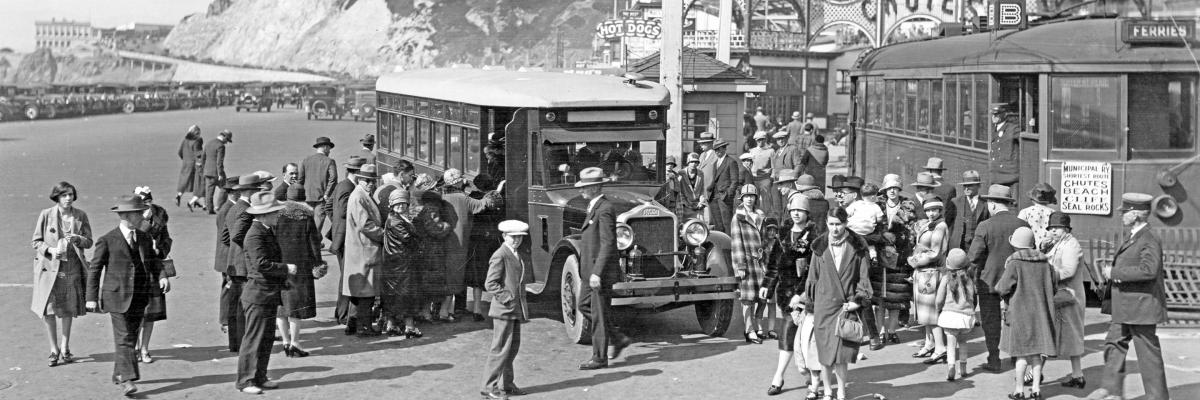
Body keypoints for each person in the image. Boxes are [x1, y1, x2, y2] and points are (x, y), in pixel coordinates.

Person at [1089, 193, 1169, 400]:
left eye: (1125, 212)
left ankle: (1158, 397)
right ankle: (1111, 390)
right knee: (1113, 344)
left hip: (1141, 307)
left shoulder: (1149, 237)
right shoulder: (1135, 235)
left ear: (1136, 214)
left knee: (1148, 355)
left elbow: (1148, 270)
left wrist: (1113, 273)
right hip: (1125, 305)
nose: (1122, 215)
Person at [86, 195, 167, 397]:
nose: (143, 216)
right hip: (116, 297)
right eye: (139, 213)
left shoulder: (144, 237)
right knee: (124, 338)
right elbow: (95, 270)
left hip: (139, 296)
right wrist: (91, 297)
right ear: (127, 216)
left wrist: (163, 276)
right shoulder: (107, 240)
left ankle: (118, 373)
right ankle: (128, 379)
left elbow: (153, 261)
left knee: (131, 335)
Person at [802, 207, 872, 400]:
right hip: (823, 307)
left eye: (838, 224)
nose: (834, 229)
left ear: (846, 223)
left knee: (842, 355)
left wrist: (858, 301)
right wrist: (809, 306)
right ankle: (827, 392)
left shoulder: (858, 247)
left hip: (846, 306)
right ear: (826, 224)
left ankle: (840, 392)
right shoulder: (819, 246)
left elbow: (864, 279)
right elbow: (812, 278)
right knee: (824, 355)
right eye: (831, 224)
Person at [237, 192, 295, 395]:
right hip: (258, 294)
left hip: (267, 293)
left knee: (266, 338)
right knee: (254, 339)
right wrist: (285, 268)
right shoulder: (255, 234)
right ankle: (245, 380)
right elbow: (262, 265)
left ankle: (260, 376)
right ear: (263, 215)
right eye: (274, 212)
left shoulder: (266, 230)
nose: (278, 215)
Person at [967, 184, 1029, 372]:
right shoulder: (1022, 224)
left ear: (992, 204)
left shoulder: (985, 226)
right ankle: (1017, 356)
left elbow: (974, 256)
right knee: (1016, 318)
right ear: (1008, 204)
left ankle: (994, 359)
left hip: (989, 280)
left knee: (991, 320)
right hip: (1017, 279)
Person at [577, 167, 633, 370]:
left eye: (585, 187)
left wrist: (596, 273)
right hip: (589, 270)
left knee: (598, 312)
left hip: (597, 273)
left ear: (594, 187)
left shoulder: (605, 208)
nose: (581, 190)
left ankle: (599, 357)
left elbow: (608, 243)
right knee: (583, 305)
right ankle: (617, 337)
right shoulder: (595, 206)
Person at [31, 181, 92, 368]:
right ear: (57, 197)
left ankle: (65, 347)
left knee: (68, 308)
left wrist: (78, 239)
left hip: (71, 269)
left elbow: (89, 241)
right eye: (64, 195)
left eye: (71, 195)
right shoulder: (46, 215)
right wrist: (50, 250)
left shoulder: (80, 216)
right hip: (49, 270)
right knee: (48, 310)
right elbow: (36, 241)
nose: (68, 198)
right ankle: (53, 349)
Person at [763, 195, 817, 396]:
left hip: (808, 297)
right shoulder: (783, 234)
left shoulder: (814, 236)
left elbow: (813, 269)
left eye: (800, 211)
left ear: (807, 213)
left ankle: (811, 378)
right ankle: (778, 377)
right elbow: (774, 264)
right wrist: (767, 285)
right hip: (786, 296)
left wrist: (801, 294)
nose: (796, 214)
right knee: (786, 336)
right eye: (793, 210)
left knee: (807, 341)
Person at [995, 226, 1057, 400]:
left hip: (1019, 313)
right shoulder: (1046, 263)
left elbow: (1002, 287)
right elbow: (1054, 286)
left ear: (1015, 245)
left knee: (1021, 354)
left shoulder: (1014, 263)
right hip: (1041, 314)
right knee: (1037, 353)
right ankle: (1036, 390)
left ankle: (1019, 390)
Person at [480, 220, 534, 400]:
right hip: (504, 310)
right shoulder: (500, 254)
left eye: (519, 237)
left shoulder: (514, 252)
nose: (517, 240)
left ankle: (507, 385)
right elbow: (490, 283)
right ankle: (489, 388)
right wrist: (507, 298)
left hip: (513, 310)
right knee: (500, 349)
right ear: (504, 236)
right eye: (513, 237)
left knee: (511, 349)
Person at [440, 168, 496, 322]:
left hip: (445, 240)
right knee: (456, 276)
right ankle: (444, 312)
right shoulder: (463, 198)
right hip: (460, 243)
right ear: (458, 182)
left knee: (449, 275)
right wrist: (495, 191)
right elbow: (483, 204)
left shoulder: (443, 197)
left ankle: (449, 310)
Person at [274, 186, 323, 357]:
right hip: (300, 266)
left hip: (279, 265)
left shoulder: (277, 216)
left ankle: (285, 341)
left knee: (280, 305)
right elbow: (314, 244)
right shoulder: (306, 217)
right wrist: (318, 263)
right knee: (296, 307)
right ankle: (295, 342)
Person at [1043, 212, 1086, 389]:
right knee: (1055, 334)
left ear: (1067, 229)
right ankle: (1077, 375)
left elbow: (1068, 271)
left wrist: (1044, 276)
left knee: (1071, 335)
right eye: (1051, 228)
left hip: (1069, 297)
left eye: (1057, 228)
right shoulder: (1059, 243)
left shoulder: (1072, 246)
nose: (1053, 231)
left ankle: (1077, 375)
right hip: (1061, 296)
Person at [873, 174, 915, 344]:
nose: (892, 191)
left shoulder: (908, 208)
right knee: (880, 297)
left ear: (899, 190)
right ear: (885, 190)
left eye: (895, 188)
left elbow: (913, 233)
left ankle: (891, 330)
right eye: (889, 188)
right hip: (880, 257)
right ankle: (880, 330)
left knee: (896, 298)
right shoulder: (877, 206)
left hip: (899, 259)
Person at [132, 187, 172, 364]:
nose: (146, 205)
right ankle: (134, 347)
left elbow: (167, 240)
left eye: (148, 201)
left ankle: (144, 348)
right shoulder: (132, 219)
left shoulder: (160, 217)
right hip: (136, 271)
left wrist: (160, 250)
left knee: (151, 314)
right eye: (142, 202)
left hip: (154, 268)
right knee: (137, 314)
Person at [343, 164, 384, 337]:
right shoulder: (359, 196)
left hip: (360, 249)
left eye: (373, 181)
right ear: (360, 180)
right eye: (367, 181)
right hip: (364, 249)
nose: (371, 184)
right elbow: (366, 225)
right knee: (366, 292)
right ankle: (364, 327)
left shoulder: (360, 194)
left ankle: (353, 324)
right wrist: (385, 235)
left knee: (358, 291)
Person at [908, 197, 949, 365]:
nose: (931, 213)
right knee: (924, 311)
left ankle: (940, 348)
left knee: (932, 313)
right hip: (924, 272)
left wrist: (914, 260)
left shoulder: (940, 226)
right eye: (928, 210)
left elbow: (935, 252)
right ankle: (929, 343)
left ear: (940, 211)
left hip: (931, 272)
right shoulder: (928, 224)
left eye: (934, 210)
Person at [380, 189, 423, 338]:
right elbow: (407, 239)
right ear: (392, 205)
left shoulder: (392, 218)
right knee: (408, 295)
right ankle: (410, 328)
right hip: (403, 264)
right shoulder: (397, 220)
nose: (400, 206)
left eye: (402, 203)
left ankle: (391, 325)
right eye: (397, 204)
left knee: (393, 295)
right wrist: (419, 243)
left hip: (393, 263)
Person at [332, 156, 365, 333]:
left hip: (340, 235)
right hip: (345, 238)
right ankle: (343, 315)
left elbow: (330, 206)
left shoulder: (342, 185)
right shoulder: (348, 188)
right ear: (358, 173)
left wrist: (335, 225)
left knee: (345, 276)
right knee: (346, 277)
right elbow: (345, 211)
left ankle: (341, 313)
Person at [731, 183, 768, 344]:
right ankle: (749, 330)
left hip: (761, 263)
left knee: (762, 296)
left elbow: (766, 241)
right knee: (747, 298)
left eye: (752, 196)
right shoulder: (738, 218)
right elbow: (737, 243)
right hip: (747, 262)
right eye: (746, 197)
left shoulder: (760, 216)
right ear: (742, 199)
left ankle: (758, 325)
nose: (749, 199)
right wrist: (740, 266)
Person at [936, 249, 976, 382]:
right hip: (965, 317)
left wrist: (938, 309)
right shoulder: (969, 279)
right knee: (963, 341)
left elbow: (939, 299)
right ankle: (963, 368)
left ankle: (951, 366)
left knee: (951, 343)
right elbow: (973, 299)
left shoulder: (946, 278)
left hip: (950, 316)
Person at [212, 176, 241, 352]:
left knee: (228, 288)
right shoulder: (227, 210)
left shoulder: (229, 207)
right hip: (226, 256)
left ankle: (226, 320)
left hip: (226, 255)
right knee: (228, 288)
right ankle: (225, 320)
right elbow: (226, 237)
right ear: (233, 192)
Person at [298, 136, 338, 235]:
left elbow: (300, 179)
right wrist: (327, 194)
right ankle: (314, 245)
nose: (329, 151)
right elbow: (333, 178)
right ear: (325, 147)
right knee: (317, 225)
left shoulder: (306, 160)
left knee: (306, 224)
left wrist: (300, 195)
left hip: (307, 197)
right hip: (321, 198)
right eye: (329, 148)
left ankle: (312, 243)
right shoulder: (329, 161)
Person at [947, 170, 989, 252]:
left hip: (978, 247)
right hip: (959, 246)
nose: (966, 188)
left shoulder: (985, 204)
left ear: (978, 186)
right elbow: (948, 223)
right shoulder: (955, 202)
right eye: (964, 185)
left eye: (970, 185)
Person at [704, 139, 738, 234]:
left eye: (719, 149)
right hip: (713, 197)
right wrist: (709, 189)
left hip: (724, 197)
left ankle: (729, 246)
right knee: (718, 224)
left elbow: (735, 181)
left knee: (727, 224)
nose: (717, 151)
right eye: (715, 150)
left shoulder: (731, 162)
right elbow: (715, 179)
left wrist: (729, 194)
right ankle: (721, 246)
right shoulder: (715, 163)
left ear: (725, 149)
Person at [748, 131, 779, 220]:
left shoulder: (770, 151)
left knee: (767, 200)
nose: (760, 142)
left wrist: (772, 178)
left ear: (765, 140)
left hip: (765, 179)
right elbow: (749, 165)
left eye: (762, 140)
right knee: (754, 200)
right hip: (754, 179)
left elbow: (774, 167)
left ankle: (767, 219)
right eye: (758, 140)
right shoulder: (752, 151)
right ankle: (755, 218)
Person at [989, 103, 1021, 186]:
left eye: (996, 114)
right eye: (992, 114)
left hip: (1009, 175)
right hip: (996, 174)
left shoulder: (1012, 129)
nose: (993, 117)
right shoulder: (995, 129)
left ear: (1004, 114)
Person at [1018, 182, 1058, 250]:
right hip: (1049, 250)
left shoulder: (1025, 212)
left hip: (1030, 249)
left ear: (1033, 199)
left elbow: (1019, 232)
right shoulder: (1054, 213)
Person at [202, 129, 231, 214]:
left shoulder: (208, 143)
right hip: (216, 172)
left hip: (207, 171)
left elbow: (203, 158)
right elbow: (219, 161)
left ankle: (209, 209)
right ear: (224, 137)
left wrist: (205, 169)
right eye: (227, 140)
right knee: (225, 187)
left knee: (209, 191)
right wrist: (220, 173)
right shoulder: (220, 146)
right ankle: (219, 206)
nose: (227, 142)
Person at [176, 125, 205, 210]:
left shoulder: (185, 140)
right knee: (198, 183)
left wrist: (185, 159)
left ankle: (179, 195)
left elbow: (179, 152)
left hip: (185, 163)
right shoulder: (198, 140)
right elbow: (198, 152)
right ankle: (201, 203)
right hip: (194, 164)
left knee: (185, 181)